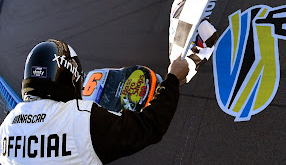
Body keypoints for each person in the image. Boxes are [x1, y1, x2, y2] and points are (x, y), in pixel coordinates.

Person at [0, 39, 189, 164]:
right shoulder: (79, 118)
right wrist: (172, 79)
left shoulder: (7, 126)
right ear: (70, 75)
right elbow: (149, 127)